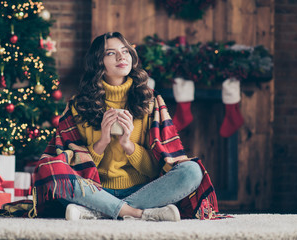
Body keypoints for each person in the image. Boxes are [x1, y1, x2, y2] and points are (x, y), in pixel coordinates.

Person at [32, 32, 218, 221]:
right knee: (50, 169)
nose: (121, 57)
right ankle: (135, 213)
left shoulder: (150, 101)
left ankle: (99, 212)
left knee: (192, 171)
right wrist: (102, 142)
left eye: (125, 51)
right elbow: (72, 168)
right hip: (96, 189)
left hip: (143, 190)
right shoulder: (78, 106)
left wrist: (127, 144)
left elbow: (157, 169)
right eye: (111, 53)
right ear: (98, 63)